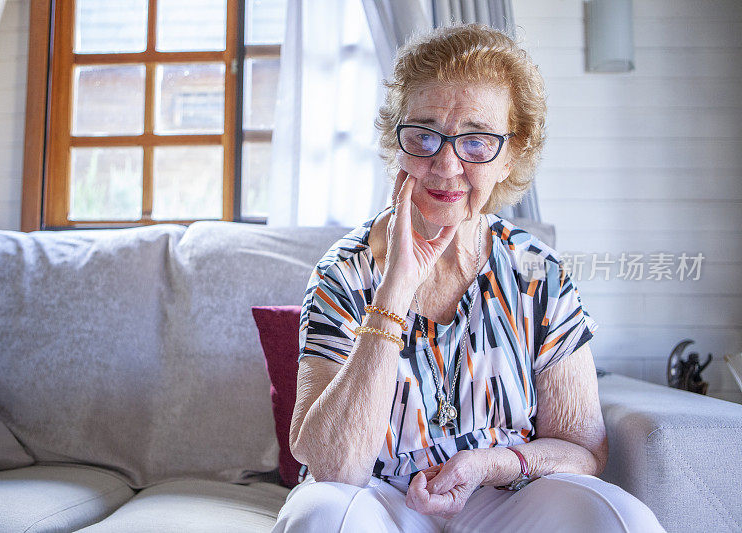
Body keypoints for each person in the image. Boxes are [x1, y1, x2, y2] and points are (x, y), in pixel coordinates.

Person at [272, 22, 666, 533]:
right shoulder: (343, 273)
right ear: (398, 144)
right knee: (321, 512)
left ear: (512, 156)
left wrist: (490, 464)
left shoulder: (536, 272)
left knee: (620, 519)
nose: (446, 163)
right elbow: (334, 468)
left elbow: (583, 449)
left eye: (476, 141)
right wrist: (395, 288)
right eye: (424, 135)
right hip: (378, 501)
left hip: (503, 496)